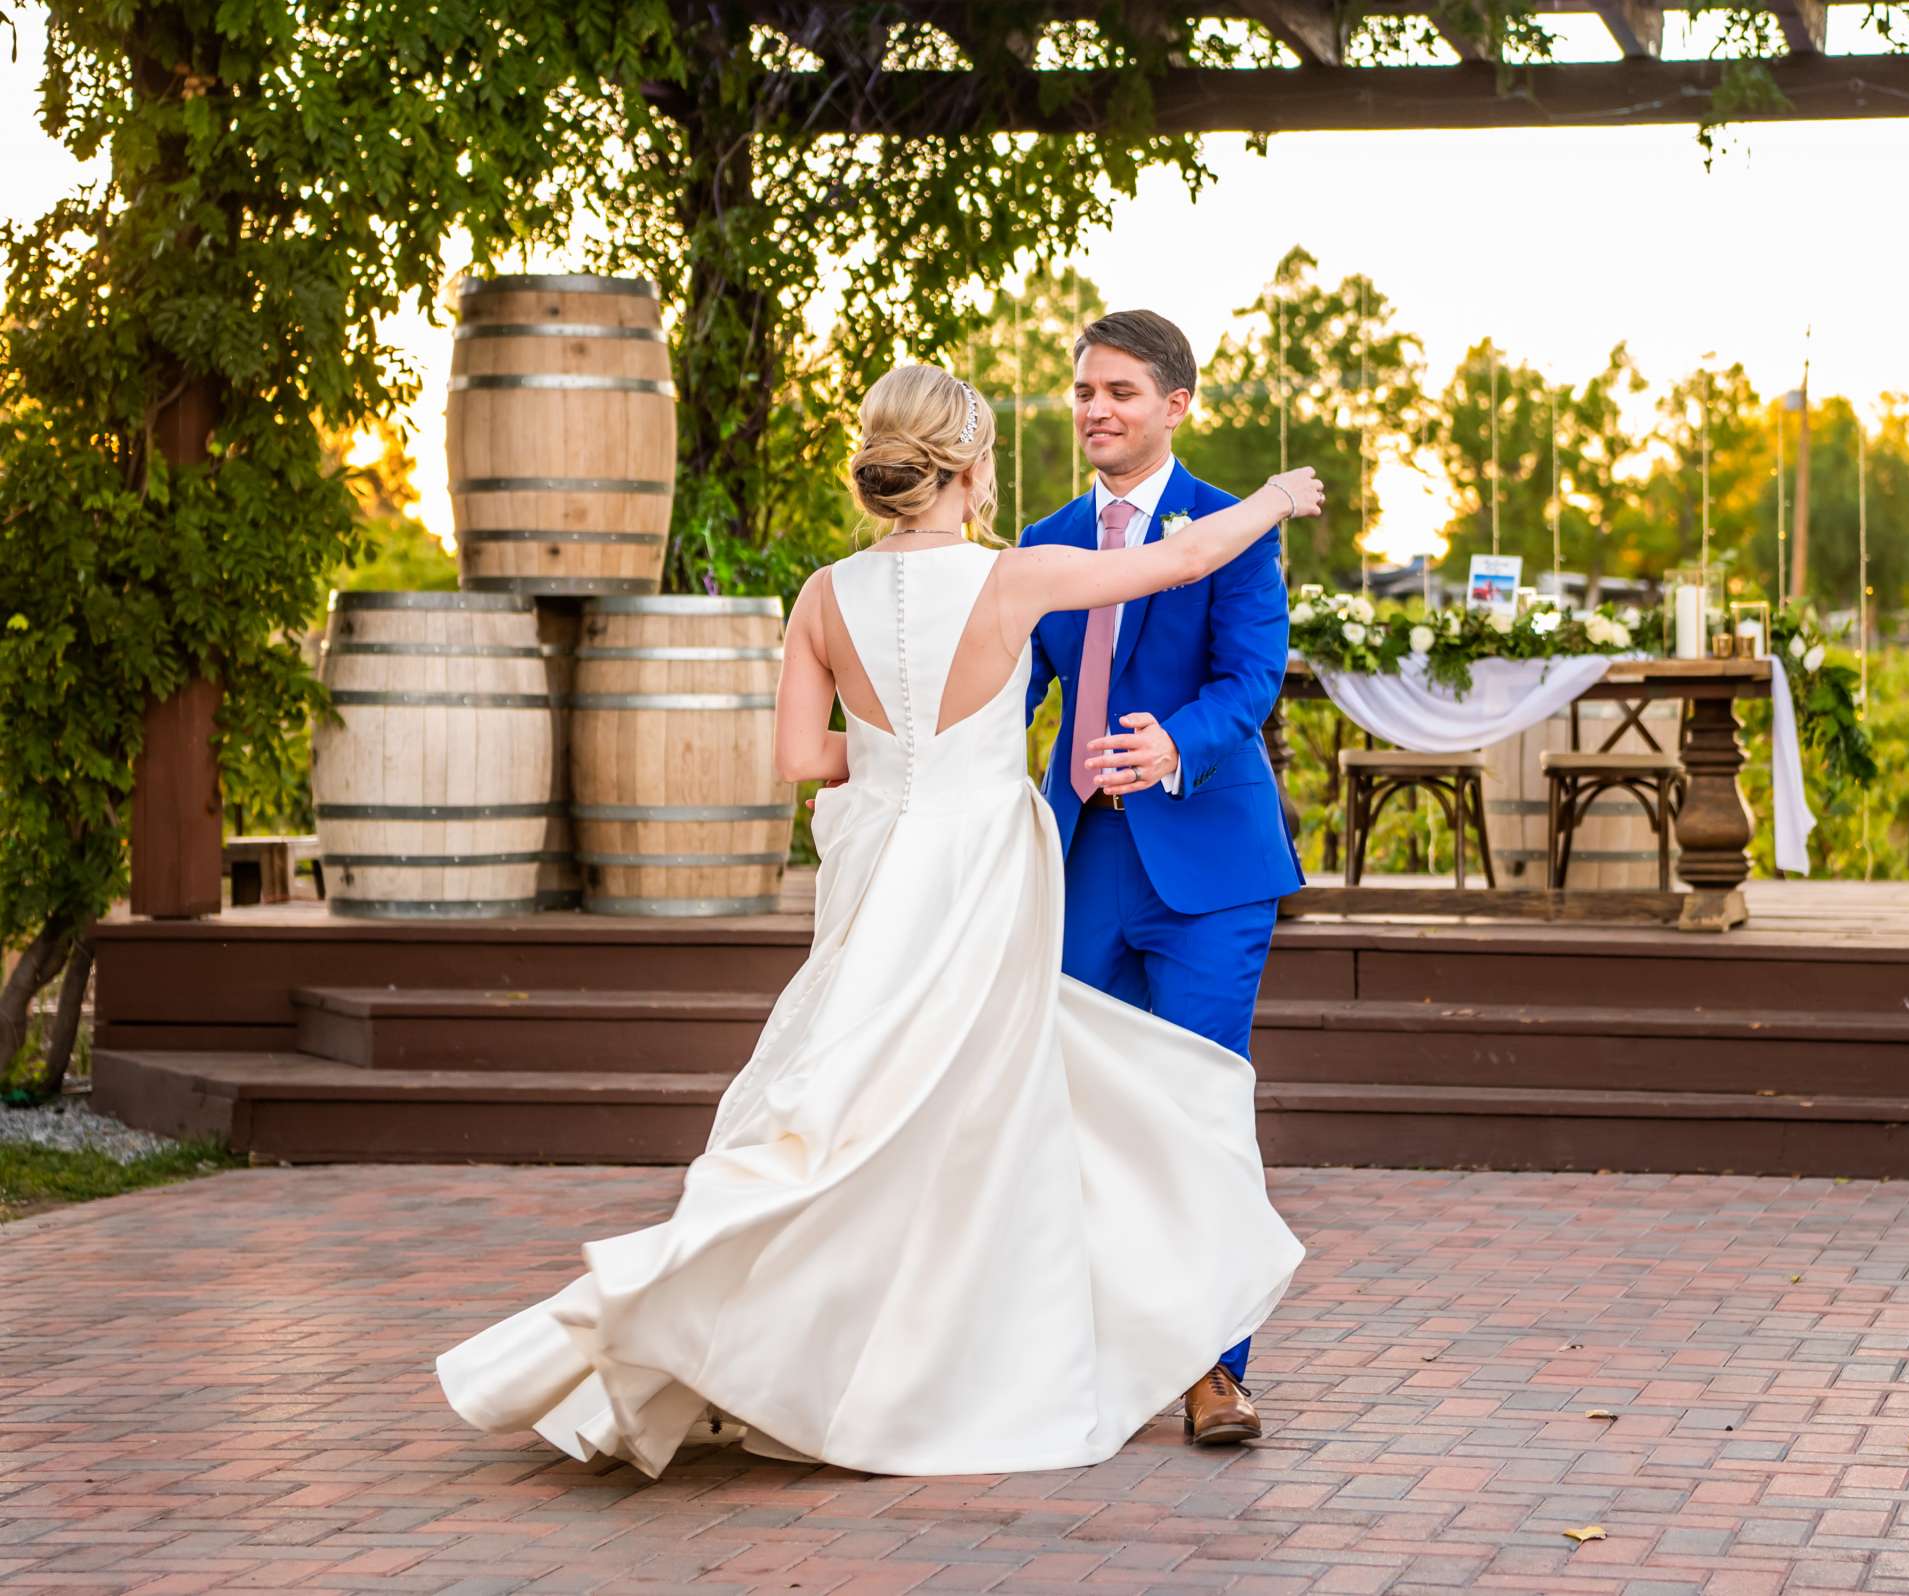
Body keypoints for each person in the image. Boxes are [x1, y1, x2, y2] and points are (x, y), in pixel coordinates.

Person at [434, 364, 1324, 1480]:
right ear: (970, 466)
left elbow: (805, 761)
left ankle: (759, 1335)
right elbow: (1188, 554)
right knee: (978, 1116)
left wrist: (903, 752)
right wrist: (1278, 497)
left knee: (854, 1107)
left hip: (884, 883)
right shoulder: (1020, 577)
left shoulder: (821, 595)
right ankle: (966, 1361)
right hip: (985, 881)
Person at [1020, 310, 1308, 1444]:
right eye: (1085, 390)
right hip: (1079, 860)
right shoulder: (1043, 537)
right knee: (1072, 1111)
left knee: (1194, 1110)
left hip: (1209, 871)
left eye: (1122, 391)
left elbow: (1254, 677)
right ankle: (1082, 1350)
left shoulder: (1233, 527)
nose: (1097, 408)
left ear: (1177, 405)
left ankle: (1213, 1372)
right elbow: (1013, 696)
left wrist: (1175, 744)